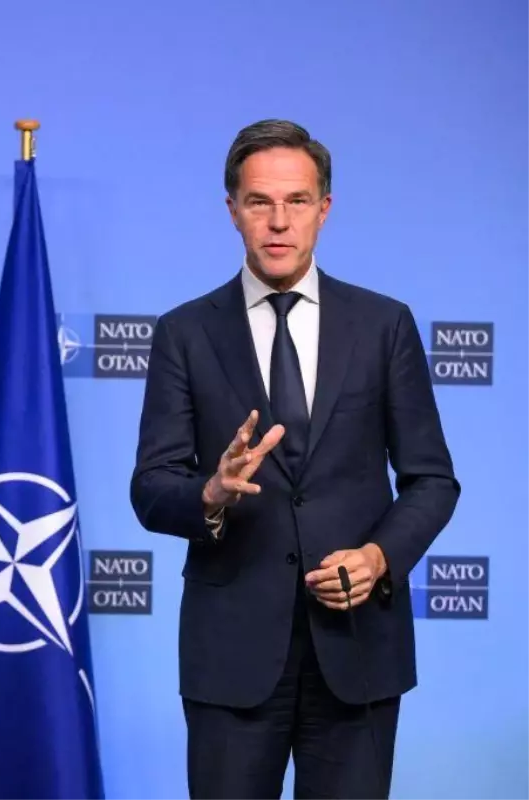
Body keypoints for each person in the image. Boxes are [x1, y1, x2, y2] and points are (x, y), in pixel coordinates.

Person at [130, 119, 460, 799]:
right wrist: (211, 493)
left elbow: (431, 479)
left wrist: (378, 558)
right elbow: (152, 486)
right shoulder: (184, 332)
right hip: (231, 655)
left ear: (324, 208)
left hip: (359, 650)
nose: (278, 221)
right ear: (232, 210)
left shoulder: (383, 325)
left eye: (297, 201)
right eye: (259, 202)